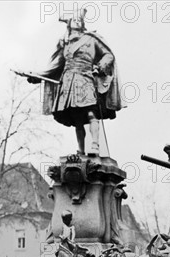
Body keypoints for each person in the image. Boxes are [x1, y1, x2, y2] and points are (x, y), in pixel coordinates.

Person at [27, 10, 123, 156]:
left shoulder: (91, 39)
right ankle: (81, 150)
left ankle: (95, 146)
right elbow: (56, 66)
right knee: (77, 119)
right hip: (68, 83)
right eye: (74, 19)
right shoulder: (65, 44)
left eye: (79, 19)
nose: (77, 21)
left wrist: (100, 67)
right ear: (69, 24)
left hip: (85, 79)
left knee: (91, 112)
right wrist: (37, 76)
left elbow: (108, 55)